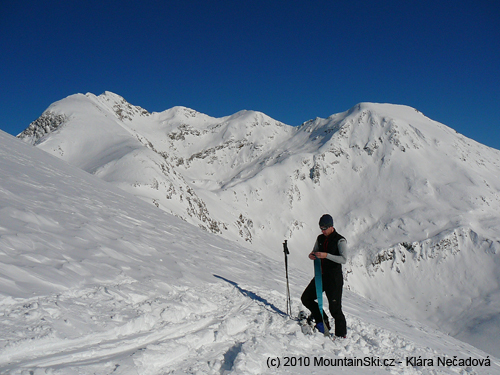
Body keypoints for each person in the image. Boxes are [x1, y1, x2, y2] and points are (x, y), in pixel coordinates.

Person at [301, 214, 347, 337]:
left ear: (331, 226)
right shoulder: (320, 238)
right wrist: (312, 255)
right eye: (321, 228)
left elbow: (343, 259)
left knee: (335, 309)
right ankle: (323, 320)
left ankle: (341, 335)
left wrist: (326, 255)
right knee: (306, 298)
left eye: (325, 228)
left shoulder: (340, 240)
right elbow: (315, 251)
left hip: (334, 279)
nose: (323, 231)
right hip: (321, 276)